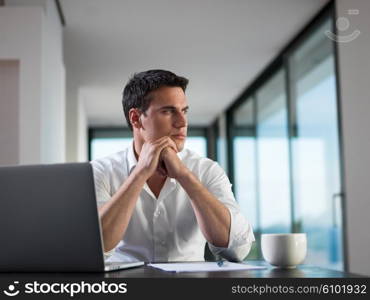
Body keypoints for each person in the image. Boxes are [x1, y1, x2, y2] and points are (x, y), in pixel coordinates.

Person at [91, 69, 255, 263]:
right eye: (168, 111)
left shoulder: (207, 170)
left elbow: (237, 250)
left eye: (184, 111)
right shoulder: (100, 172)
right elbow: (93, 248)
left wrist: (185, 176)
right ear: (136, 118)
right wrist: (140, 174)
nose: (182, 122)